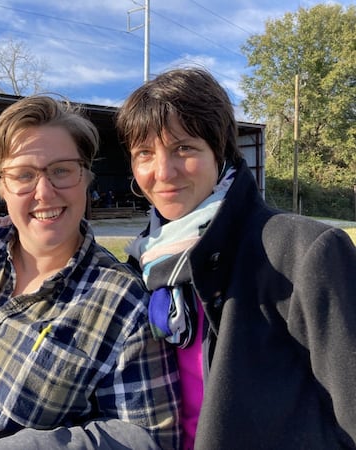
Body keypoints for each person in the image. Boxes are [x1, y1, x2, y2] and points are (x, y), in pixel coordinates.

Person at [0, 95, 181, 449]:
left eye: (61, 170)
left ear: (85, 176)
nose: (44, 192)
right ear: (1, 186)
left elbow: (149, 439)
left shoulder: (121, 302)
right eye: (23, 175)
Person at [115, 67, 356, 449]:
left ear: (220, 152)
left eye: (184, 148)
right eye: (145, 153)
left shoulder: (303, 252)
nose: (163, 172)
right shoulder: (142, 265)